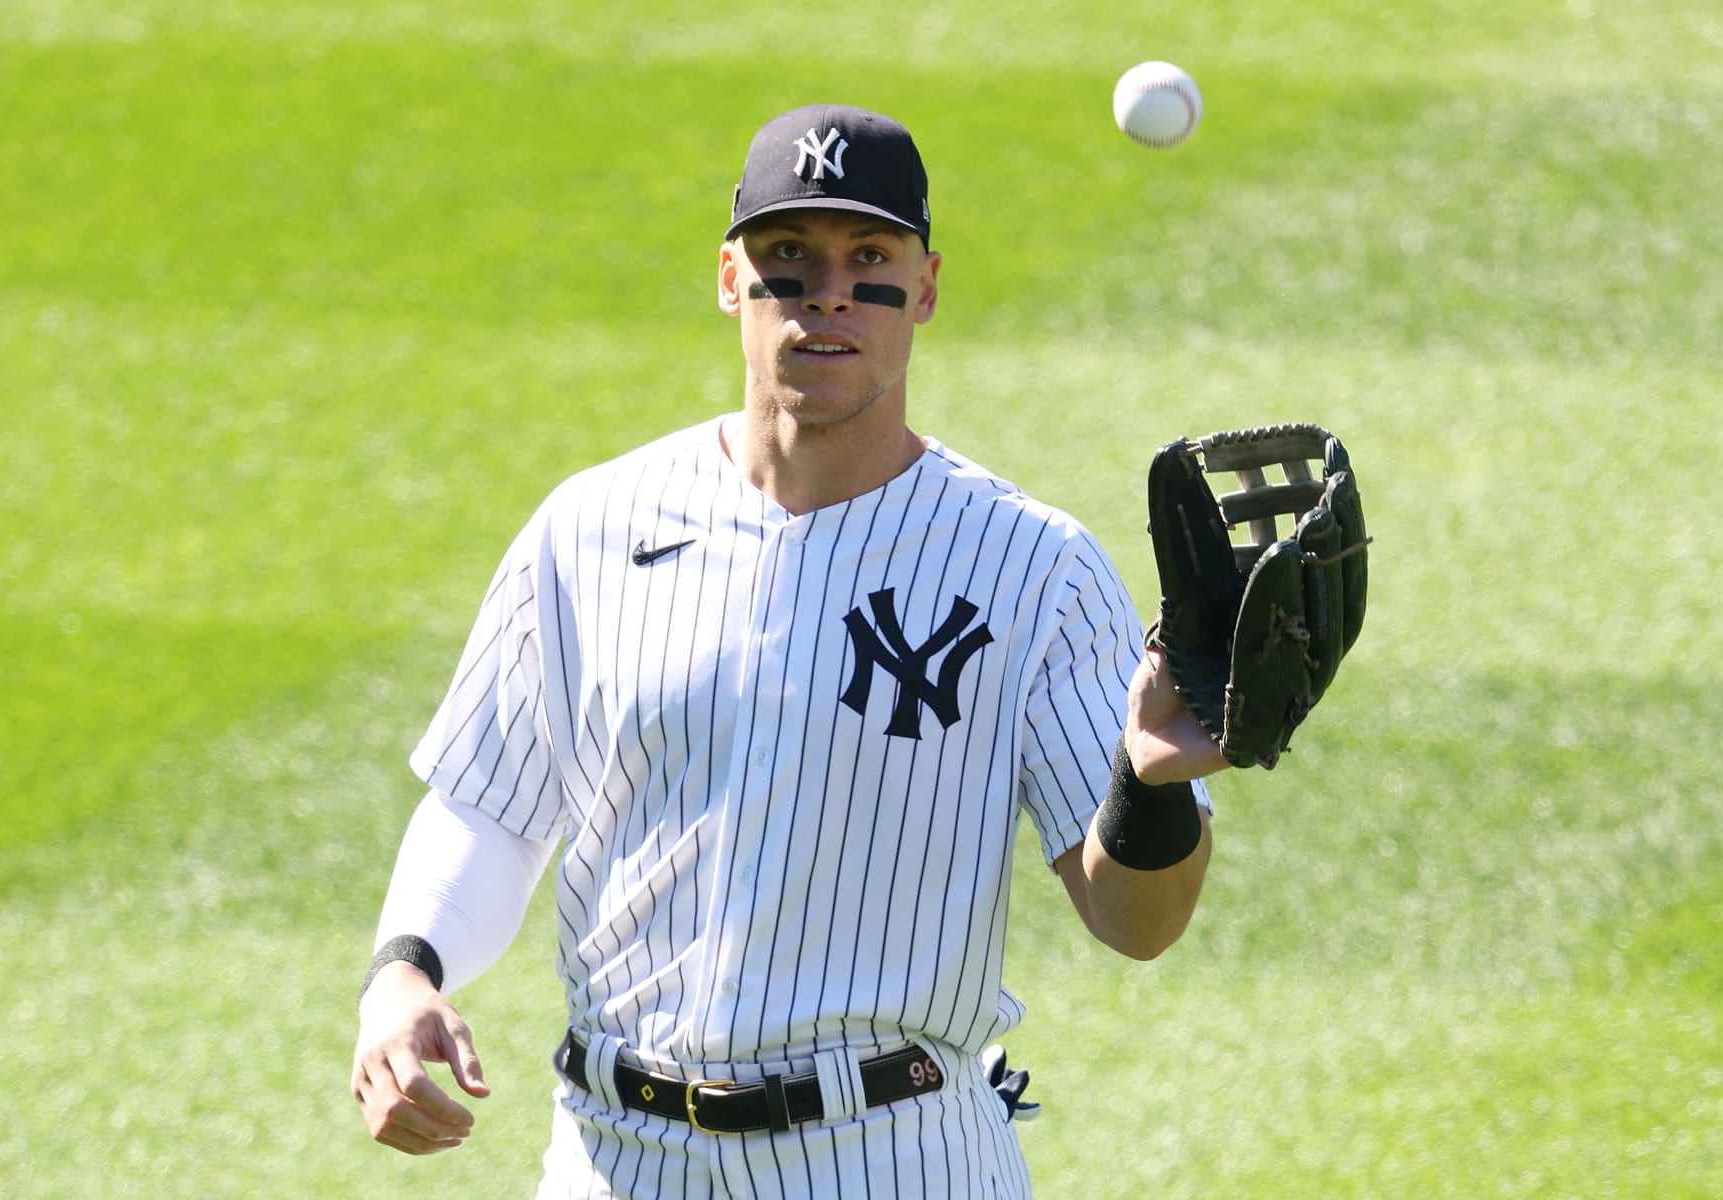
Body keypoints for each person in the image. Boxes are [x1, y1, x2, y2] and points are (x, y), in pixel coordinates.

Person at [351, 103, 1226, 1198]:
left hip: (896, 1158)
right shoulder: (592, 528)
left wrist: (1146, 786)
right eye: (788, 257)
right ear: (730, 278)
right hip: (616, 1159)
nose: (827, 294)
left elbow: (1137, 922)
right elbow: (490, 804)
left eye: (870, 259)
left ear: (927, 288)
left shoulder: (1032, 567)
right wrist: (403, 974)